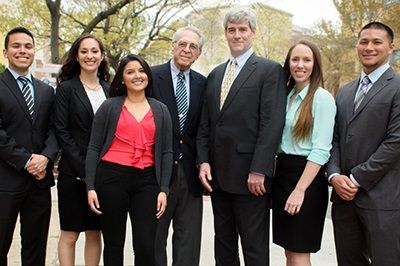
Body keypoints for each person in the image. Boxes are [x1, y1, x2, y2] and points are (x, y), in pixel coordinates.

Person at [196, 7, 286, 265]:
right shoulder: (215, 74)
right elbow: (206, 125)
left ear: (253, 33)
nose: (237, 35)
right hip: (218, 177)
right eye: (231, 30)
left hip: (251, 177)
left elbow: (272, 124)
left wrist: (260, 169)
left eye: (242, 29)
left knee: (253, 246)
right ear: (225, 33)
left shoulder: (269, 71)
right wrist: (203, 161)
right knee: (223, 243)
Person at [86, 54, 173, 266]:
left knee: (146, 245)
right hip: (112, 178)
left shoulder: (160, 109)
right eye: (130, 72)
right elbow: (94, 147)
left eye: (142, 71)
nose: (137, 76)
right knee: (114, 244)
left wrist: (163, 189)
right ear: (122, 79)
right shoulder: (109, 107)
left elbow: (167, 152)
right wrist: (90, 186)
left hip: (147, 181)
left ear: (148, 76)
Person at [327, 22, 400, 266]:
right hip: (343, 200)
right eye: (364, 42)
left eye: (377, 42)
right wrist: (335, 175)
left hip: (383, 201)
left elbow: (395, 142)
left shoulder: (397, 88)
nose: (369, 47)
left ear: (391, 47)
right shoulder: (345, 92)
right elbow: (334, 138)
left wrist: (356, 179)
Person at [272, 40, 336, 266]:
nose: (300, 65)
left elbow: (321, 150)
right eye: (295, 59)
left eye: (306, 60)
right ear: (288, 63)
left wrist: (300, 190)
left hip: (306, 180)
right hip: (283, 176)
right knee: (289, 251)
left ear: (315, 64)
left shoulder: (322, 98)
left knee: (300, 253)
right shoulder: (286, 96)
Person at [0, 27, 59, 265]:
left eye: (28, 46)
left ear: (34, 51)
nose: (23, 51)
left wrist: (45, 158)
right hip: (5, 180)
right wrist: (26, 161)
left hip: (39, 182)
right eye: (16, 46)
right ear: (5, 52)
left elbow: (55, 130)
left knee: (36, 250)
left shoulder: (46, 90)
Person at [151, 26, 206, 266]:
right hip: (156, 173)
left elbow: (205, 128)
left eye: (193, 46)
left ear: (199, 53)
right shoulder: (151, 76)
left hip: (191, 175)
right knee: (153, 241)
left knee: (188, 245)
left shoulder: (204, 84)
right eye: (182, 44)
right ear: (172, 46)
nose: (186, 49)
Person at [54, 34, 111, 266]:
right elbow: (62, 131)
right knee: (70, 233)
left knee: (94, 232)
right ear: (77, 56)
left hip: (104, 175)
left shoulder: (110, 89)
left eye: (94, 51)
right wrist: (86, 168)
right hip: (73, 173)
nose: (90, 56)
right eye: (84, 51)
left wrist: (101, 169)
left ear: (102, 55)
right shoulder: (66, 89)